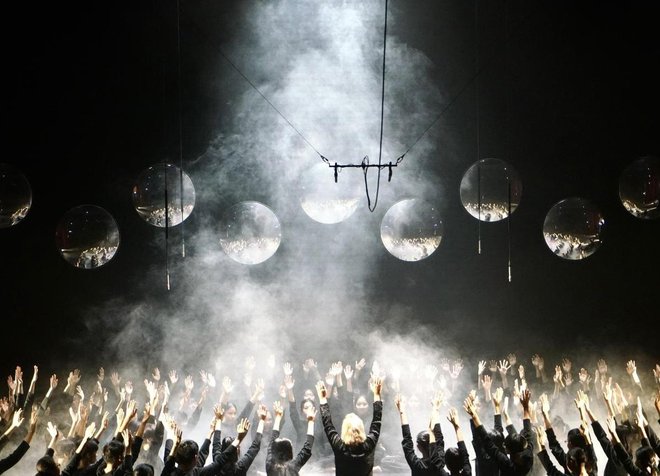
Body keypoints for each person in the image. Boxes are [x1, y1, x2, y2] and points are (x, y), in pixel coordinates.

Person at [317, 376, 382, 476]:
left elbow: (327, 424)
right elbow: (377, 421)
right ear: (361, 428)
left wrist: (322, 399)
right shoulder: (369, 445)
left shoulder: (340, 446)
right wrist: (377, 394)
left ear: (344, 429)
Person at [395, 391, 444, 475]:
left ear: (418, 447)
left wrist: (402, 412)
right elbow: (439, 438)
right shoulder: (439, 462)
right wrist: (435, 409)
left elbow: (407, 441)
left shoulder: (416, 465)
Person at [265, 399, 315, 475]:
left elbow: (272, 441)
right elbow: (307, 449)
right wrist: (311, 421)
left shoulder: (270, 466)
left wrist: (278, 417)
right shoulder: (293, 467)